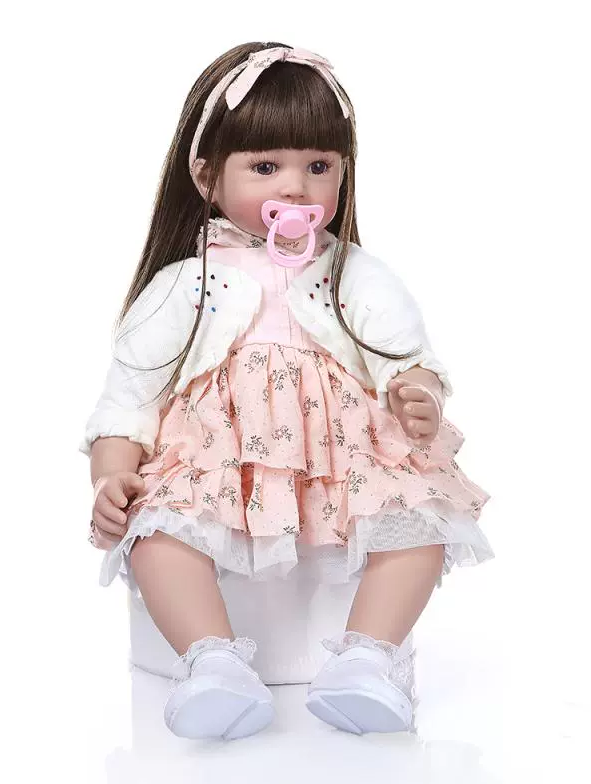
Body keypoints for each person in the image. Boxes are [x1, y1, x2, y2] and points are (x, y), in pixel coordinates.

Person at [80, 42, 494, 741]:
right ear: (207, 177)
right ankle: (211, 661)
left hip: (342, 461)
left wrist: (415, 392)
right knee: (158, 533)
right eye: (266, 167)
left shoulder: (352, 273)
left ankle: (366, 658)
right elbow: (129, 397)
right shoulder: (186, 283)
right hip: (220, 463)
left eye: (319, 167)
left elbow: (405, 355)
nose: (297, 188)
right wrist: (112, 476)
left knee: (421, 521)